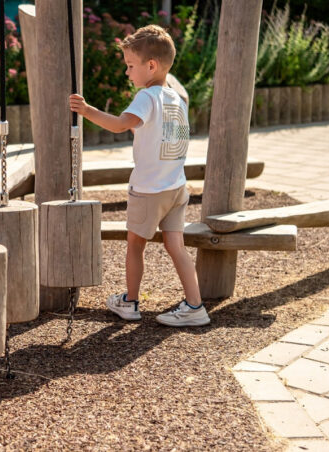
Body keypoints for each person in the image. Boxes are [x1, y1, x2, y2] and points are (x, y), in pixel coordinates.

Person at [69, 25, 209, 327]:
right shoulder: (176, 99)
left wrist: (87, 110)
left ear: (151, 66)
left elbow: (120, 125)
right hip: (176, 187)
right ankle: (195, 306)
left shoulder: (147, 97)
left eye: (130, 66)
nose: (127, 73)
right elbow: (160, 135)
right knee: (176, 246)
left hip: (148, 189)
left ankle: (130, 302)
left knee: (135, 245)